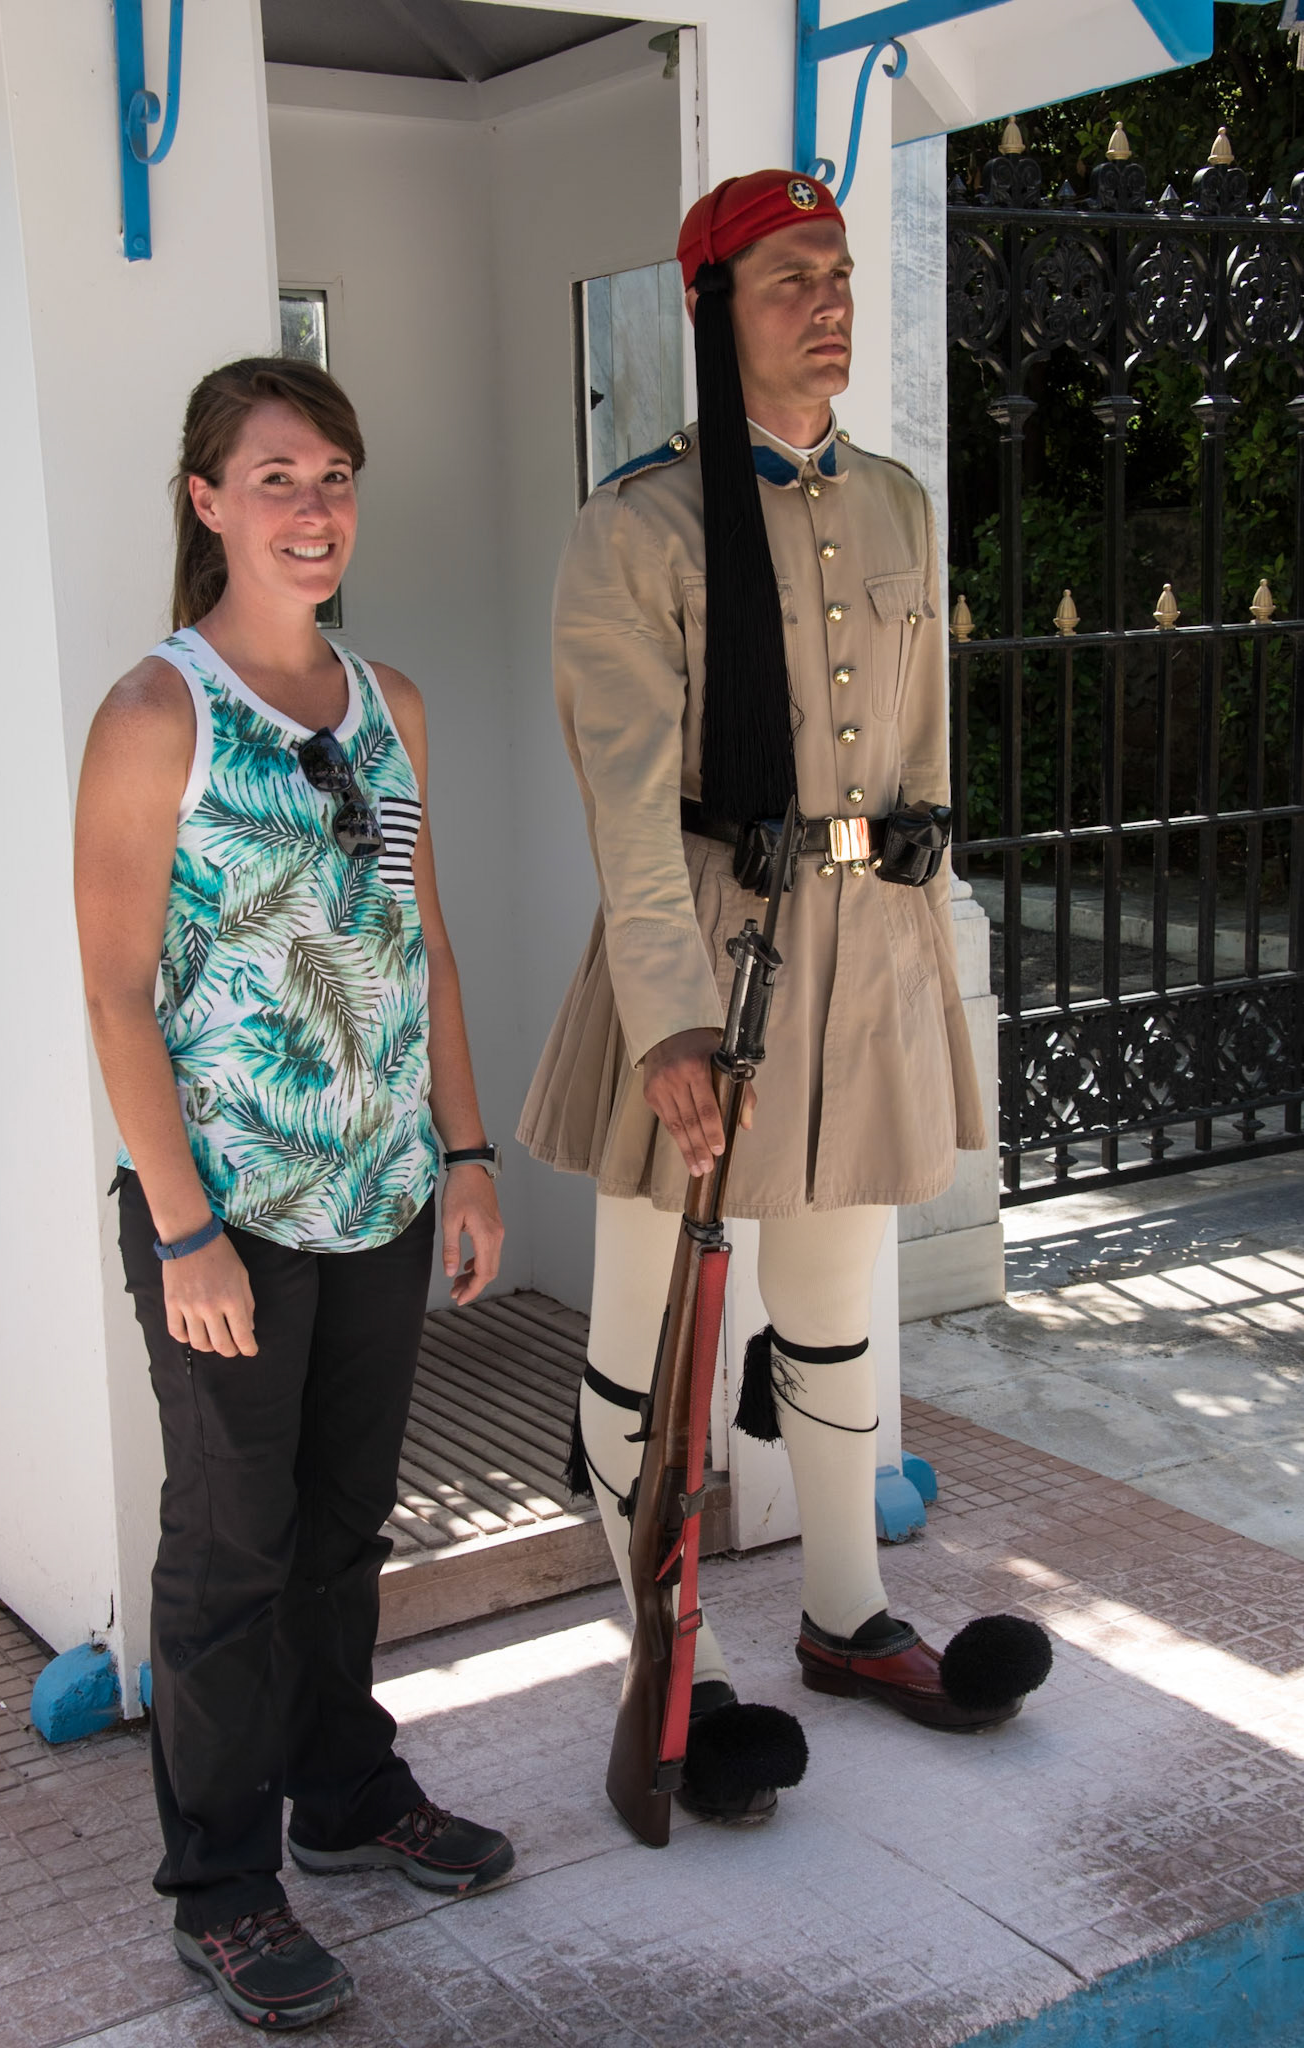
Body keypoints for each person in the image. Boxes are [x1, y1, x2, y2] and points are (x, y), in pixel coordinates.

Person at [519, 171, 1050, 1821]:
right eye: (784, 281)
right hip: (700, 968)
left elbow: (925, 764)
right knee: (650, 1353)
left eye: (836, 274)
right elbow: (622, 796)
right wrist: (673, 1022)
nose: (825, 302)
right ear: (710, 312)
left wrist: (923, 933)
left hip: (860, 964)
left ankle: (846, 1616)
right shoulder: (639, 526)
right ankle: (676, 1663)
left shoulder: (895, 506)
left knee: (830, 1317)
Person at [75, 357, 513, 2031]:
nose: (314, 509)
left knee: (339, 1531)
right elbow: (117, 989)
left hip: (387, 1191)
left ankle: (344, 1794)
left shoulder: (390, 702)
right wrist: (182, 1225)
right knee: (230, 1555)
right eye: (276, 478)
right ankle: (223, 1884)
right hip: (228, 1219)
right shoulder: (156, 714)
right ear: (207, 503)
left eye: (333, 476)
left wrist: (465, 1156)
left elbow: (420, 945)